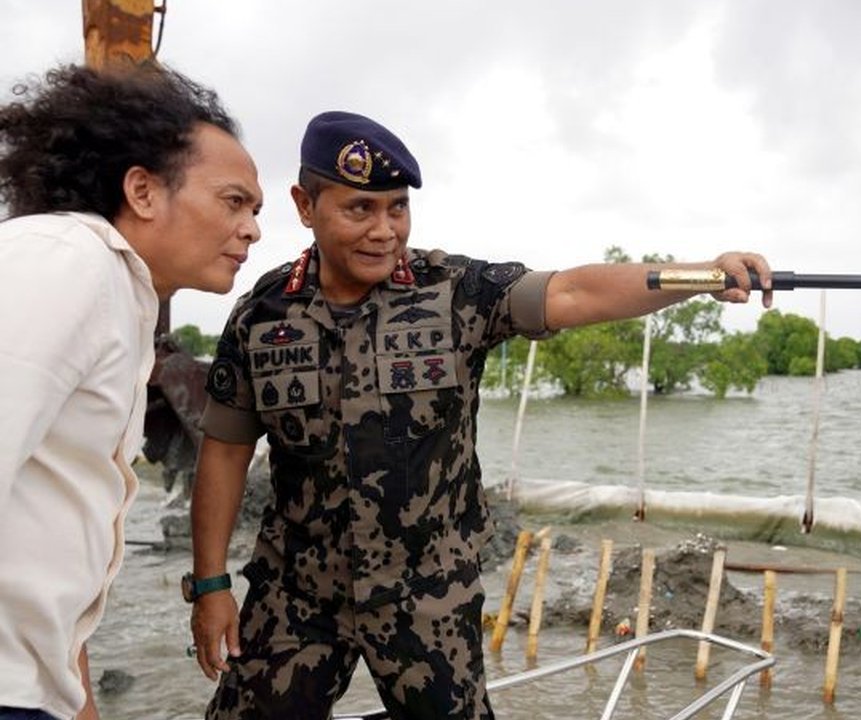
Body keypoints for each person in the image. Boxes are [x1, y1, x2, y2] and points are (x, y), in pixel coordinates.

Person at [188, 110, 773, 720]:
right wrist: (210, 585)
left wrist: (701, 276)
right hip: (296, 596)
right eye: (360, 210)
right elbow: (224, 452)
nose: (384, 231)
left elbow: (572, 291)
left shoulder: (454, 292)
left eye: (397, 208)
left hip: (427, 597)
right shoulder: (261, 316)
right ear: (305, 206)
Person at [0, 65, 262, 720]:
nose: (252, 229)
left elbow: (52, 542)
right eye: (233, 202)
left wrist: (76, 701)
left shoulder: (119, 298)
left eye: (254, 210)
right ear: (143, 191)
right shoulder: (65, 261)